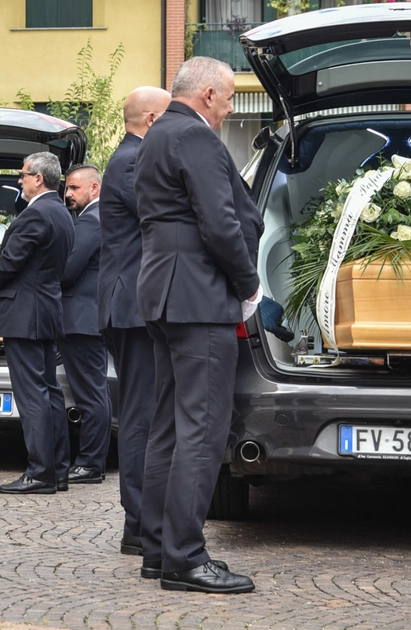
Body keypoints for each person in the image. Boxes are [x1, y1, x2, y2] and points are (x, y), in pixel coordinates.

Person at [134, 57, 265, 594]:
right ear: (208, 94)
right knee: (202, 429)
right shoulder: (195, 136)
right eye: (231, 98)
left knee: (168, 424)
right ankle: (186, 557)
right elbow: (221, 221)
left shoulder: (156, 135)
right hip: (199, 294)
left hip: (165, 294)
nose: (232, 109)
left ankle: (159, 549)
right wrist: (247, 283)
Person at [99, 86, 170, 556]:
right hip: (132, 307)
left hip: (128, 303)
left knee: (144, 414)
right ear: (149, 118)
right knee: (142, 417)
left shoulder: (130, 157)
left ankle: (138, 524)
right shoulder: (132, 160)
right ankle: (143, 525)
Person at [0, 151, 75, 494]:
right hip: (45, 310)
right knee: (49, 391)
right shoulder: (63, 214)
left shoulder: (35, 214)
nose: (19, 180)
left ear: (39, 179)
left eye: (23, 175)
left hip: (24, 312)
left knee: (32, 394)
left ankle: (40, 472)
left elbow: (10, 261)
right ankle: (57, 470)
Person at [59, 163, 111, 484]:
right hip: (85, 319)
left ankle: (91, 464)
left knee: (91, 395)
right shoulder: (94, 219)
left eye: (74, 188)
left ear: (94, 189)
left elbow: (66, 271)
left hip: (82, 321)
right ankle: (91, 461)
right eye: (66, 188)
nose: (68, 194)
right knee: (93, 392)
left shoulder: (91, 222)